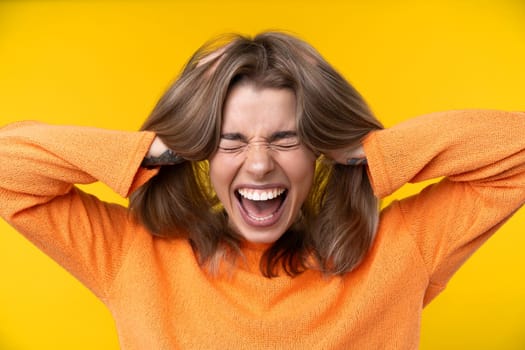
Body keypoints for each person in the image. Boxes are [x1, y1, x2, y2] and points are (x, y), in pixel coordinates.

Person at [0, 31, 523, 349]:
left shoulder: (400, 248)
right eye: (229, 141)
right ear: (200, 151)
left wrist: (370, 153)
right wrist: (158, 148)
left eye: (285, 138)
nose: (258, 164)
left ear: (319, 147)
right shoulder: (132, 253)